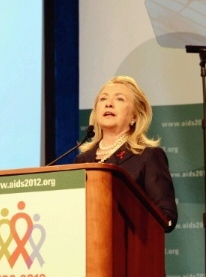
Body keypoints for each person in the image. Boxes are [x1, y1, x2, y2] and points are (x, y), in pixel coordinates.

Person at [74, 75, 178, 232]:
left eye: (119, 99)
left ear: (134, 116)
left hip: (131, 249)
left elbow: (166, 216)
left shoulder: (148, 156)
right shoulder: (82, 161)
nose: (108, 104)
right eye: (103, 99)